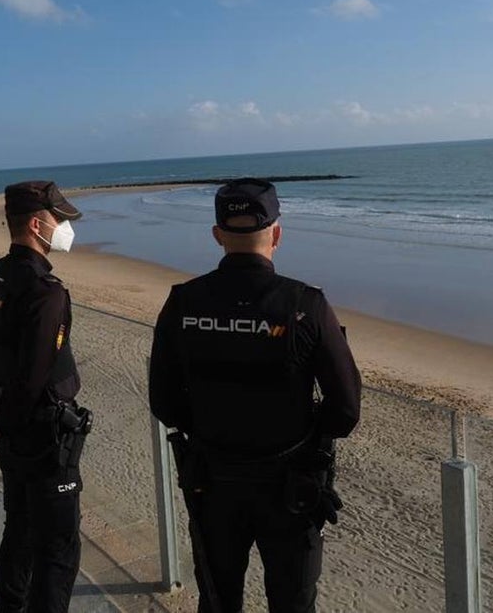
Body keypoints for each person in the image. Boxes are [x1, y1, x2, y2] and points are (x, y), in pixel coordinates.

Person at [149, 178, 362, 613]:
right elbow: (345, 411)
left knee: (218, 598)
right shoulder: (306, 304)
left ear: (216, 235)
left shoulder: (183, 302)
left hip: (212, 481)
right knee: (293, 602)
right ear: (278, 234)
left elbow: (164, 402)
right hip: (290, 487)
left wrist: (211, 425)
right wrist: (303, 431)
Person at [0, 180, 93, 613]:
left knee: (18, 530)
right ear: (38, 225)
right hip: (42, 436)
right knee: (57, 549)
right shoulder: (45, 291)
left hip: (9, 428)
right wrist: (2, 420)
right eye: (59, 220)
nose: (65, 227)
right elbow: (34, 375)